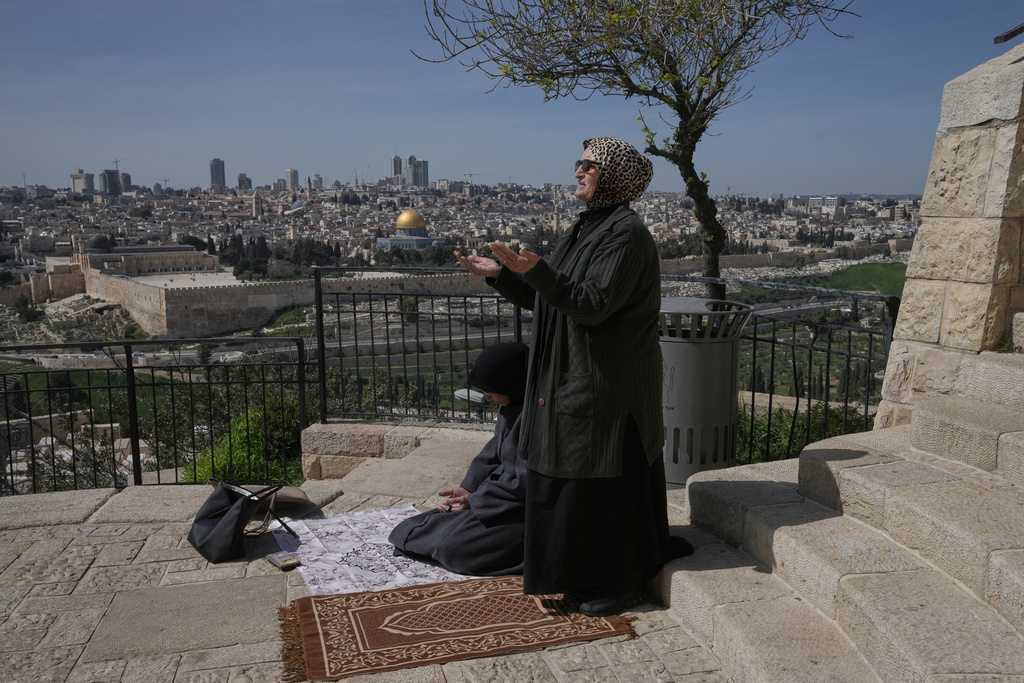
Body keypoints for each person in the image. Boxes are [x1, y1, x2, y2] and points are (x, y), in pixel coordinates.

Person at [454, 137, 690, 617]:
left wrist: (539, 271)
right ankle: (580, 572)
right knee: (580, 483)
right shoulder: (587, 228)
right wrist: (502, 276)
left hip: (605, 382)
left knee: (602, 483)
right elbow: (553, 299)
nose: (578, 170)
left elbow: (591, 304)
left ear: (614, 177)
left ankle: (617, 578)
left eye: (589, 164)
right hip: (576, 375)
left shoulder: (624, 235)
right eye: (579, 162)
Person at [388, 342, 529, 576]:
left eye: (491, 390)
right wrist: (468, 489)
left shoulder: (537, 417)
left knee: (453, 549)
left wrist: (476, 500)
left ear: (510, 381)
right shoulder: (510, 405)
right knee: (406, 530)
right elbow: (493, 452)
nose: (488, 397)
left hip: (520, 510)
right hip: (492, 500)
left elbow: (525, 483)